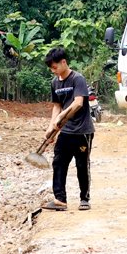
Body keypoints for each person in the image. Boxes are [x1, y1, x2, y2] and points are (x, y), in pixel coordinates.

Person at [43, 46, 94, 212]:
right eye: (51, 68)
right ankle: (60, 199)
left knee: (81, 164)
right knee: (59, 162)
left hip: (82, 130)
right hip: (65, 131)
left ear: (63, 62)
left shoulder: (77, 79)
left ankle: (84, 199)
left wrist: (61, 116)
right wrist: (51, 126)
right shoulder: (55, 82)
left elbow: (78, 103)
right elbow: (56, 106)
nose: (53, 71)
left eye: (55, 67)